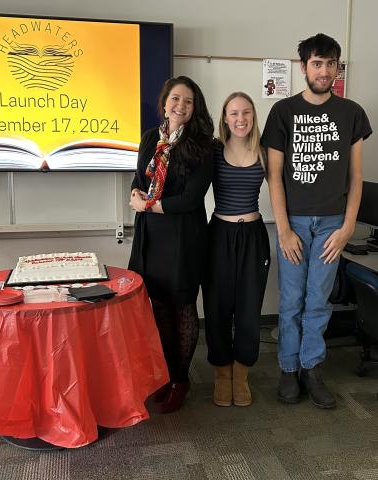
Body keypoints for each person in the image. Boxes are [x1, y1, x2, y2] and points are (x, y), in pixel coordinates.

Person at [261, 33, 372, 409]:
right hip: (292, 221)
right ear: (304, 66)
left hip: (332, 224)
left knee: (318, 301)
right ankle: (289, 369)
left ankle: (312, 367)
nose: (324, 71)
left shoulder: (352, 113)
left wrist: (346, 230)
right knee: (291, 300)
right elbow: (274, 176)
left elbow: (356, 177)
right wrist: (284, 229)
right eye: (317, 63)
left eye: (330, 64)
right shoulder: (283, 112)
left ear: (338, 68)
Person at [128, 75, 214, 414]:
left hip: (183, 238)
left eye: (188, 101)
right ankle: (164, 374)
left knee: (183, 308)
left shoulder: (203, 145)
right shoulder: (151, 138)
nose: (180, 105)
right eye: (175, 98)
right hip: (151, 237)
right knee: (159, 307)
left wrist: (147, 205)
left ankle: (181, 379)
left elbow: (191, 199)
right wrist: (136, 194)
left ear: (195, 109)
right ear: (164, 101)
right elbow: (140, 179)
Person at [203, 92, 270, 407]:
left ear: (253, 116)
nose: (240, 119)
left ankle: (241, 375)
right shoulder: (213, 151)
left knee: (248, 309)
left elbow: (285, 190)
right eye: (233, 113)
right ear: (225, 118)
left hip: (253, 236)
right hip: (219, 235)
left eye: (246, 112)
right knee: (217, 308)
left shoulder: (265, 151)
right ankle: (222, 374)